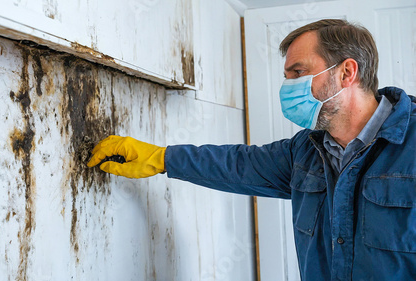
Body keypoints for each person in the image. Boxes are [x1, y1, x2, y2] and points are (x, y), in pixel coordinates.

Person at [87, 19, 416, 280]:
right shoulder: (307, 152)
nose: (288, 87)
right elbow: (236, 165)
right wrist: (159, 157)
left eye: (298, 73)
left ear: (346, 72)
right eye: (286, 77)